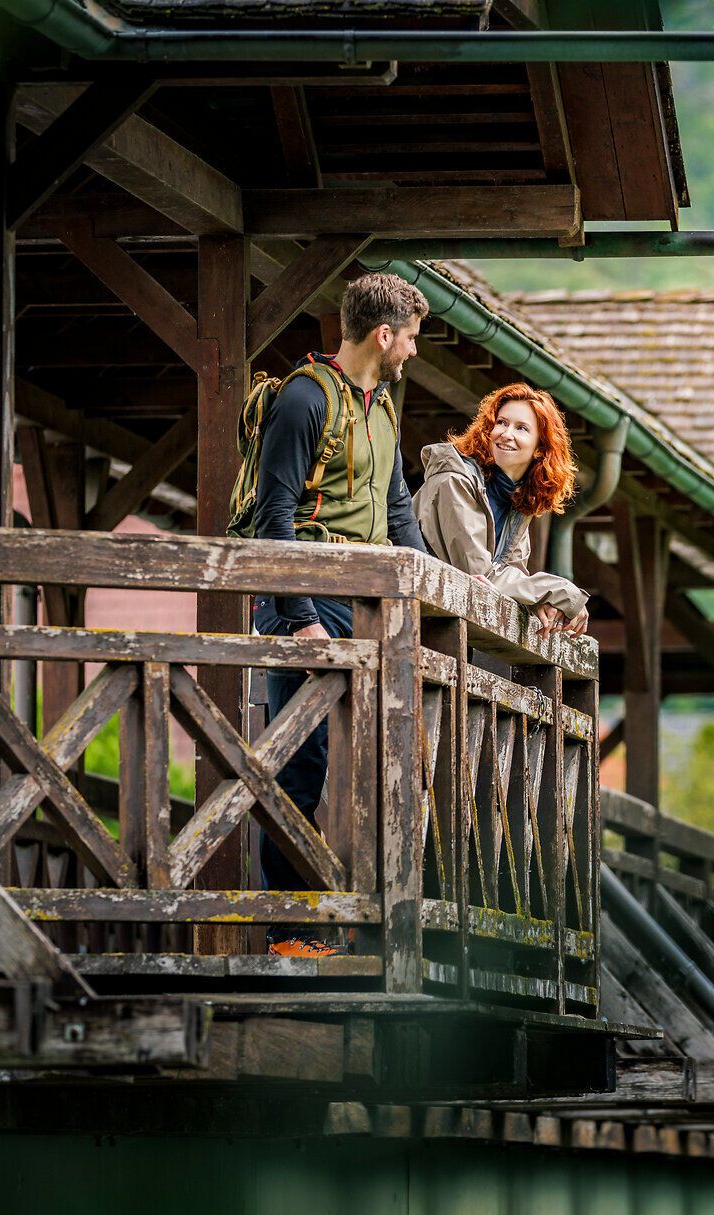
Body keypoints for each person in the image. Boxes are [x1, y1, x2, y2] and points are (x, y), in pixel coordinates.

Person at [248, 272, 430, 957]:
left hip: (370, 604)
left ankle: (379, 927)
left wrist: (436, 587)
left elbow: (399, 511)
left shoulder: (385, 407)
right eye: (410, 338)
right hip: (307, 599)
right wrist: (298, 617)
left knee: (391, 758)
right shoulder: (303, 398)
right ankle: (289, 932)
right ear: (384, 335)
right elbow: (275, 514)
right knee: (299, 760)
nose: (412, 352)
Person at [416, 382, 590, 635]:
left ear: (540, 447)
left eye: (521, 428)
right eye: (501, 423)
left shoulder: (518, 501)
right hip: (415, 611)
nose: (506, 433)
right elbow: (479, 574)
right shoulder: (454, 481)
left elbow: (511, 575)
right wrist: (561, 593)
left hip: (444, 621)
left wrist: (536, 602)